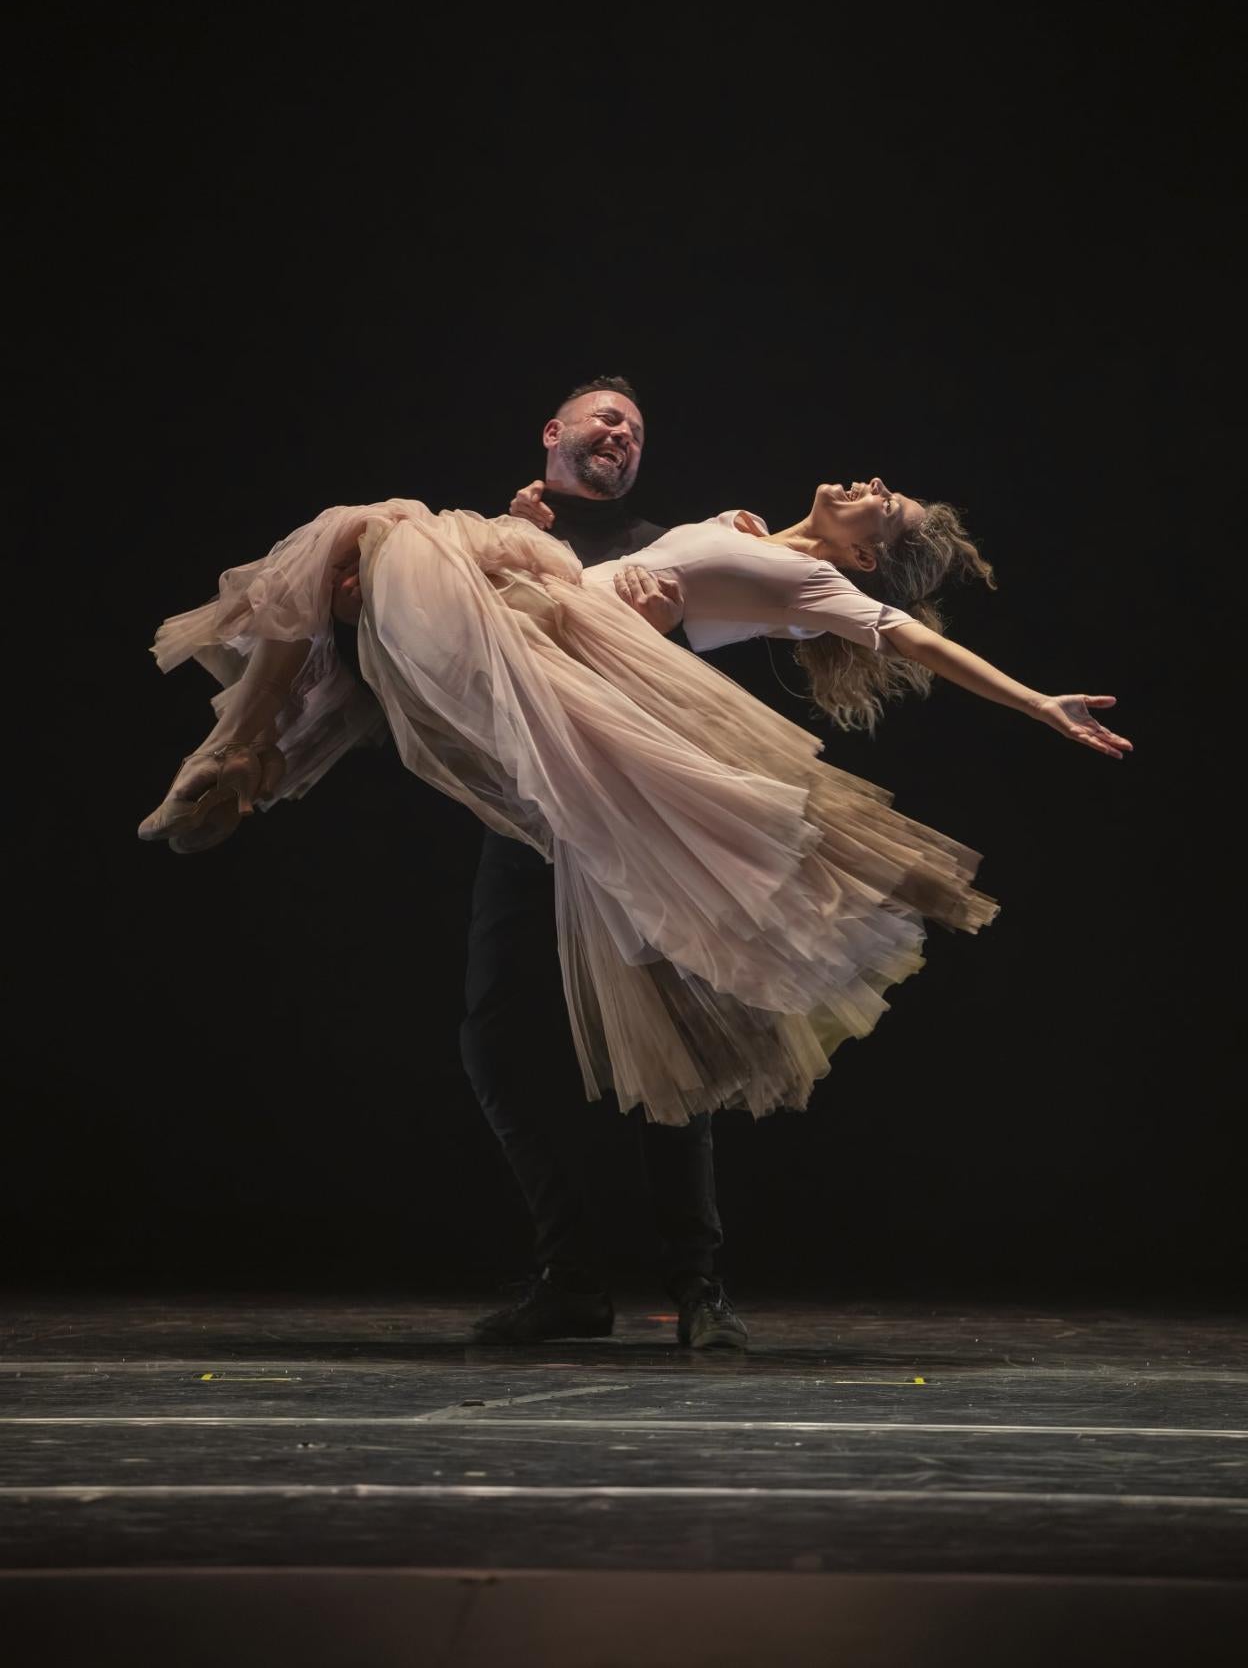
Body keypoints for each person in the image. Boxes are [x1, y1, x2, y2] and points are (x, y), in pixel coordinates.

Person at [139, 393, 1129, 1300]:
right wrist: (539, 538)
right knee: (348, 562)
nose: (874, 484)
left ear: (867, 558)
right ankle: (252, 752)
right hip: (543, 655)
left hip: (574, 699)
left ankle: (245, 751)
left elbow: (917, 642)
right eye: (885, 487)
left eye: (888, 505)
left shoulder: (817, 582)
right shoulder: (746, 529)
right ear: (554, 432)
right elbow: (677, 582)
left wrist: (1037, 703)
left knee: (366, 532)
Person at [333, 378, 744, 1349]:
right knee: (498, 1041)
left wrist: (691, 584)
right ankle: (571, 1278)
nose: (623, 434)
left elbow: (685, 678)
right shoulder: (484, 540)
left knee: (672, 1052)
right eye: (608, 418)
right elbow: (416, 653)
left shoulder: (660, 546)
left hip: (627, 828)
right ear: (554, 432)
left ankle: (699, 1287)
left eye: (636, 429)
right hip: (526, 824)